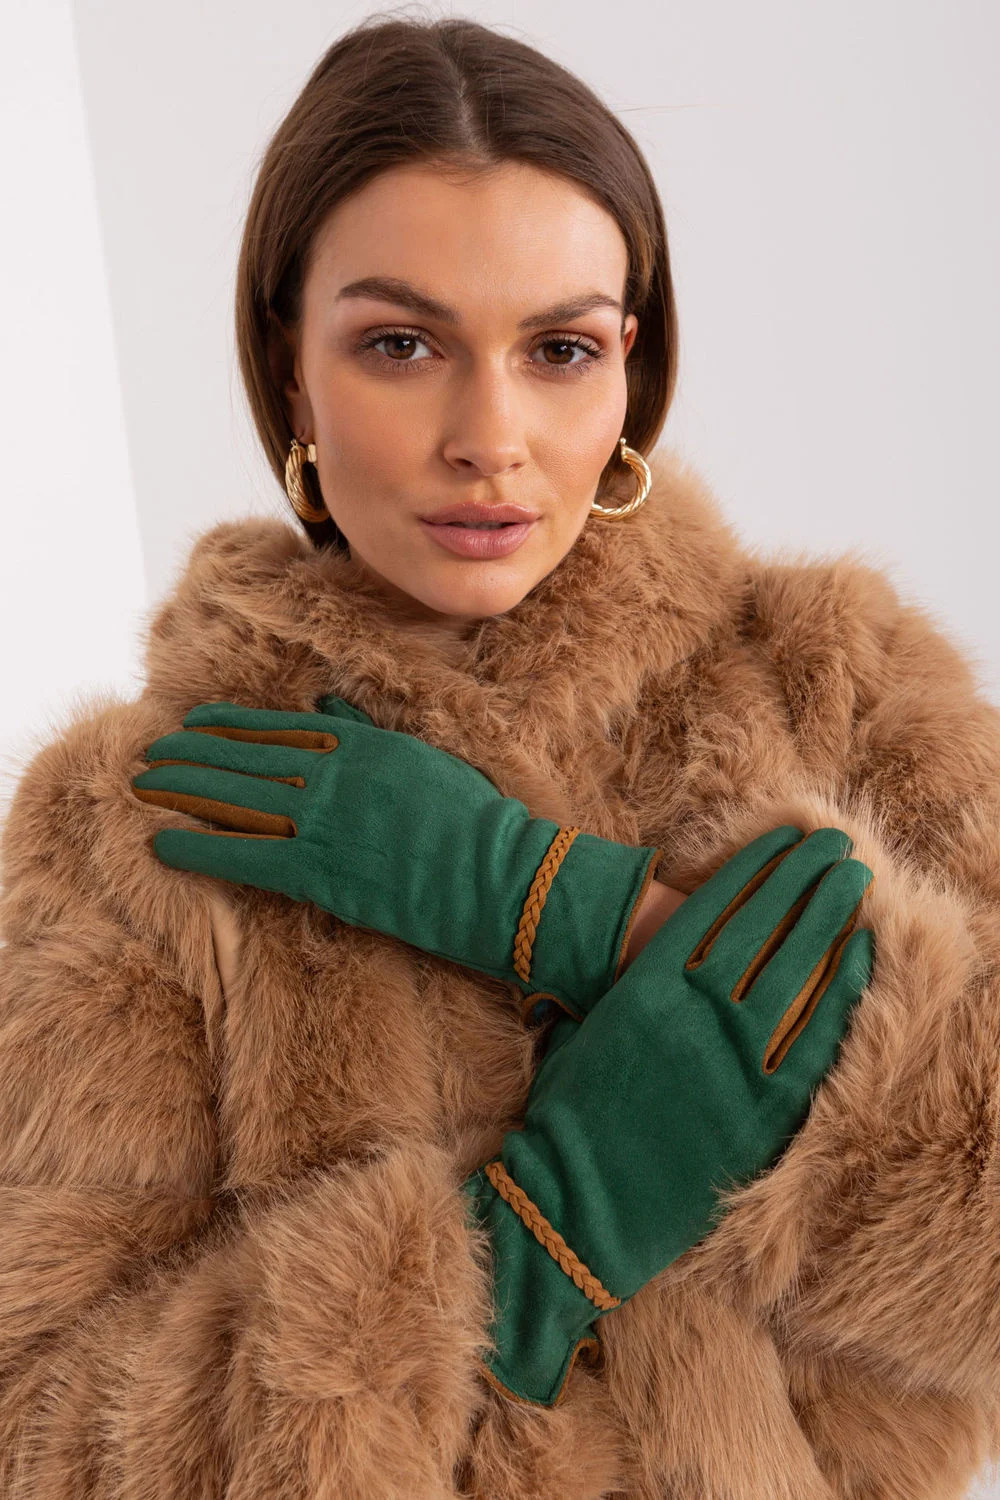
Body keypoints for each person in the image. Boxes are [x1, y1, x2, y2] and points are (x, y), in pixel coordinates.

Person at [0, 12, 997, 1498]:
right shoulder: (135, 820)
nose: (490, 434)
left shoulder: (835, 679)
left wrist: (575, 911)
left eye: (559, 349)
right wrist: (532, 1246)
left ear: (630, 369)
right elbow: (46, 1441)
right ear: (290, 371)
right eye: (401, 345)